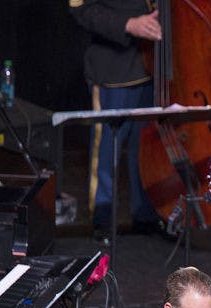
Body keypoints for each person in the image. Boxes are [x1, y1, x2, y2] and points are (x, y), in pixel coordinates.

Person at [69, 0, 164, 244]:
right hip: (114, 68)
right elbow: (81, 10)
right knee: (107, 147)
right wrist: (128, 24)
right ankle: (103, 215)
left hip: (156, 62)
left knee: (146, 148)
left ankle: (147, 213)